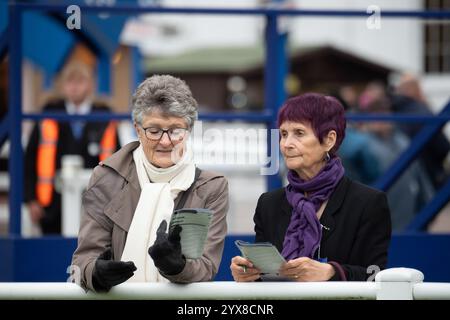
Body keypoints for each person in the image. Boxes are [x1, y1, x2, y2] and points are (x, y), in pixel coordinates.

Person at [71, 75, 229, 292]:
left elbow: (207, 266)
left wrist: (177, 267)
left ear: (189, 130)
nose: (165, 141)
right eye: (154, 131)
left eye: (175, 131)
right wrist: (97, 274)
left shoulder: (212, 187)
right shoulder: (106, 178)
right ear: (137, 129)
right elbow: (84, 260)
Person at [230, 93, 391, 282]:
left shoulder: (368, 203)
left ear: (329, 140)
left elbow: (375, 274)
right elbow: (267, 279)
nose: (286, 144)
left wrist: (332, 271)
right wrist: (249, 274)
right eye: (283, 134)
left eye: (299, 133)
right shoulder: (269, 204)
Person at [24, 62, 119, 235]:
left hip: (95, 205)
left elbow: (118, 159)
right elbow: (29, 158)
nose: (74, 87)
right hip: (51, 207)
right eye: (70, 81)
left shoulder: (104, 115)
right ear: (62, 85)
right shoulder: (49, 112)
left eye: (80, 81)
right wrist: (30, 199)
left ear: (90, 85)